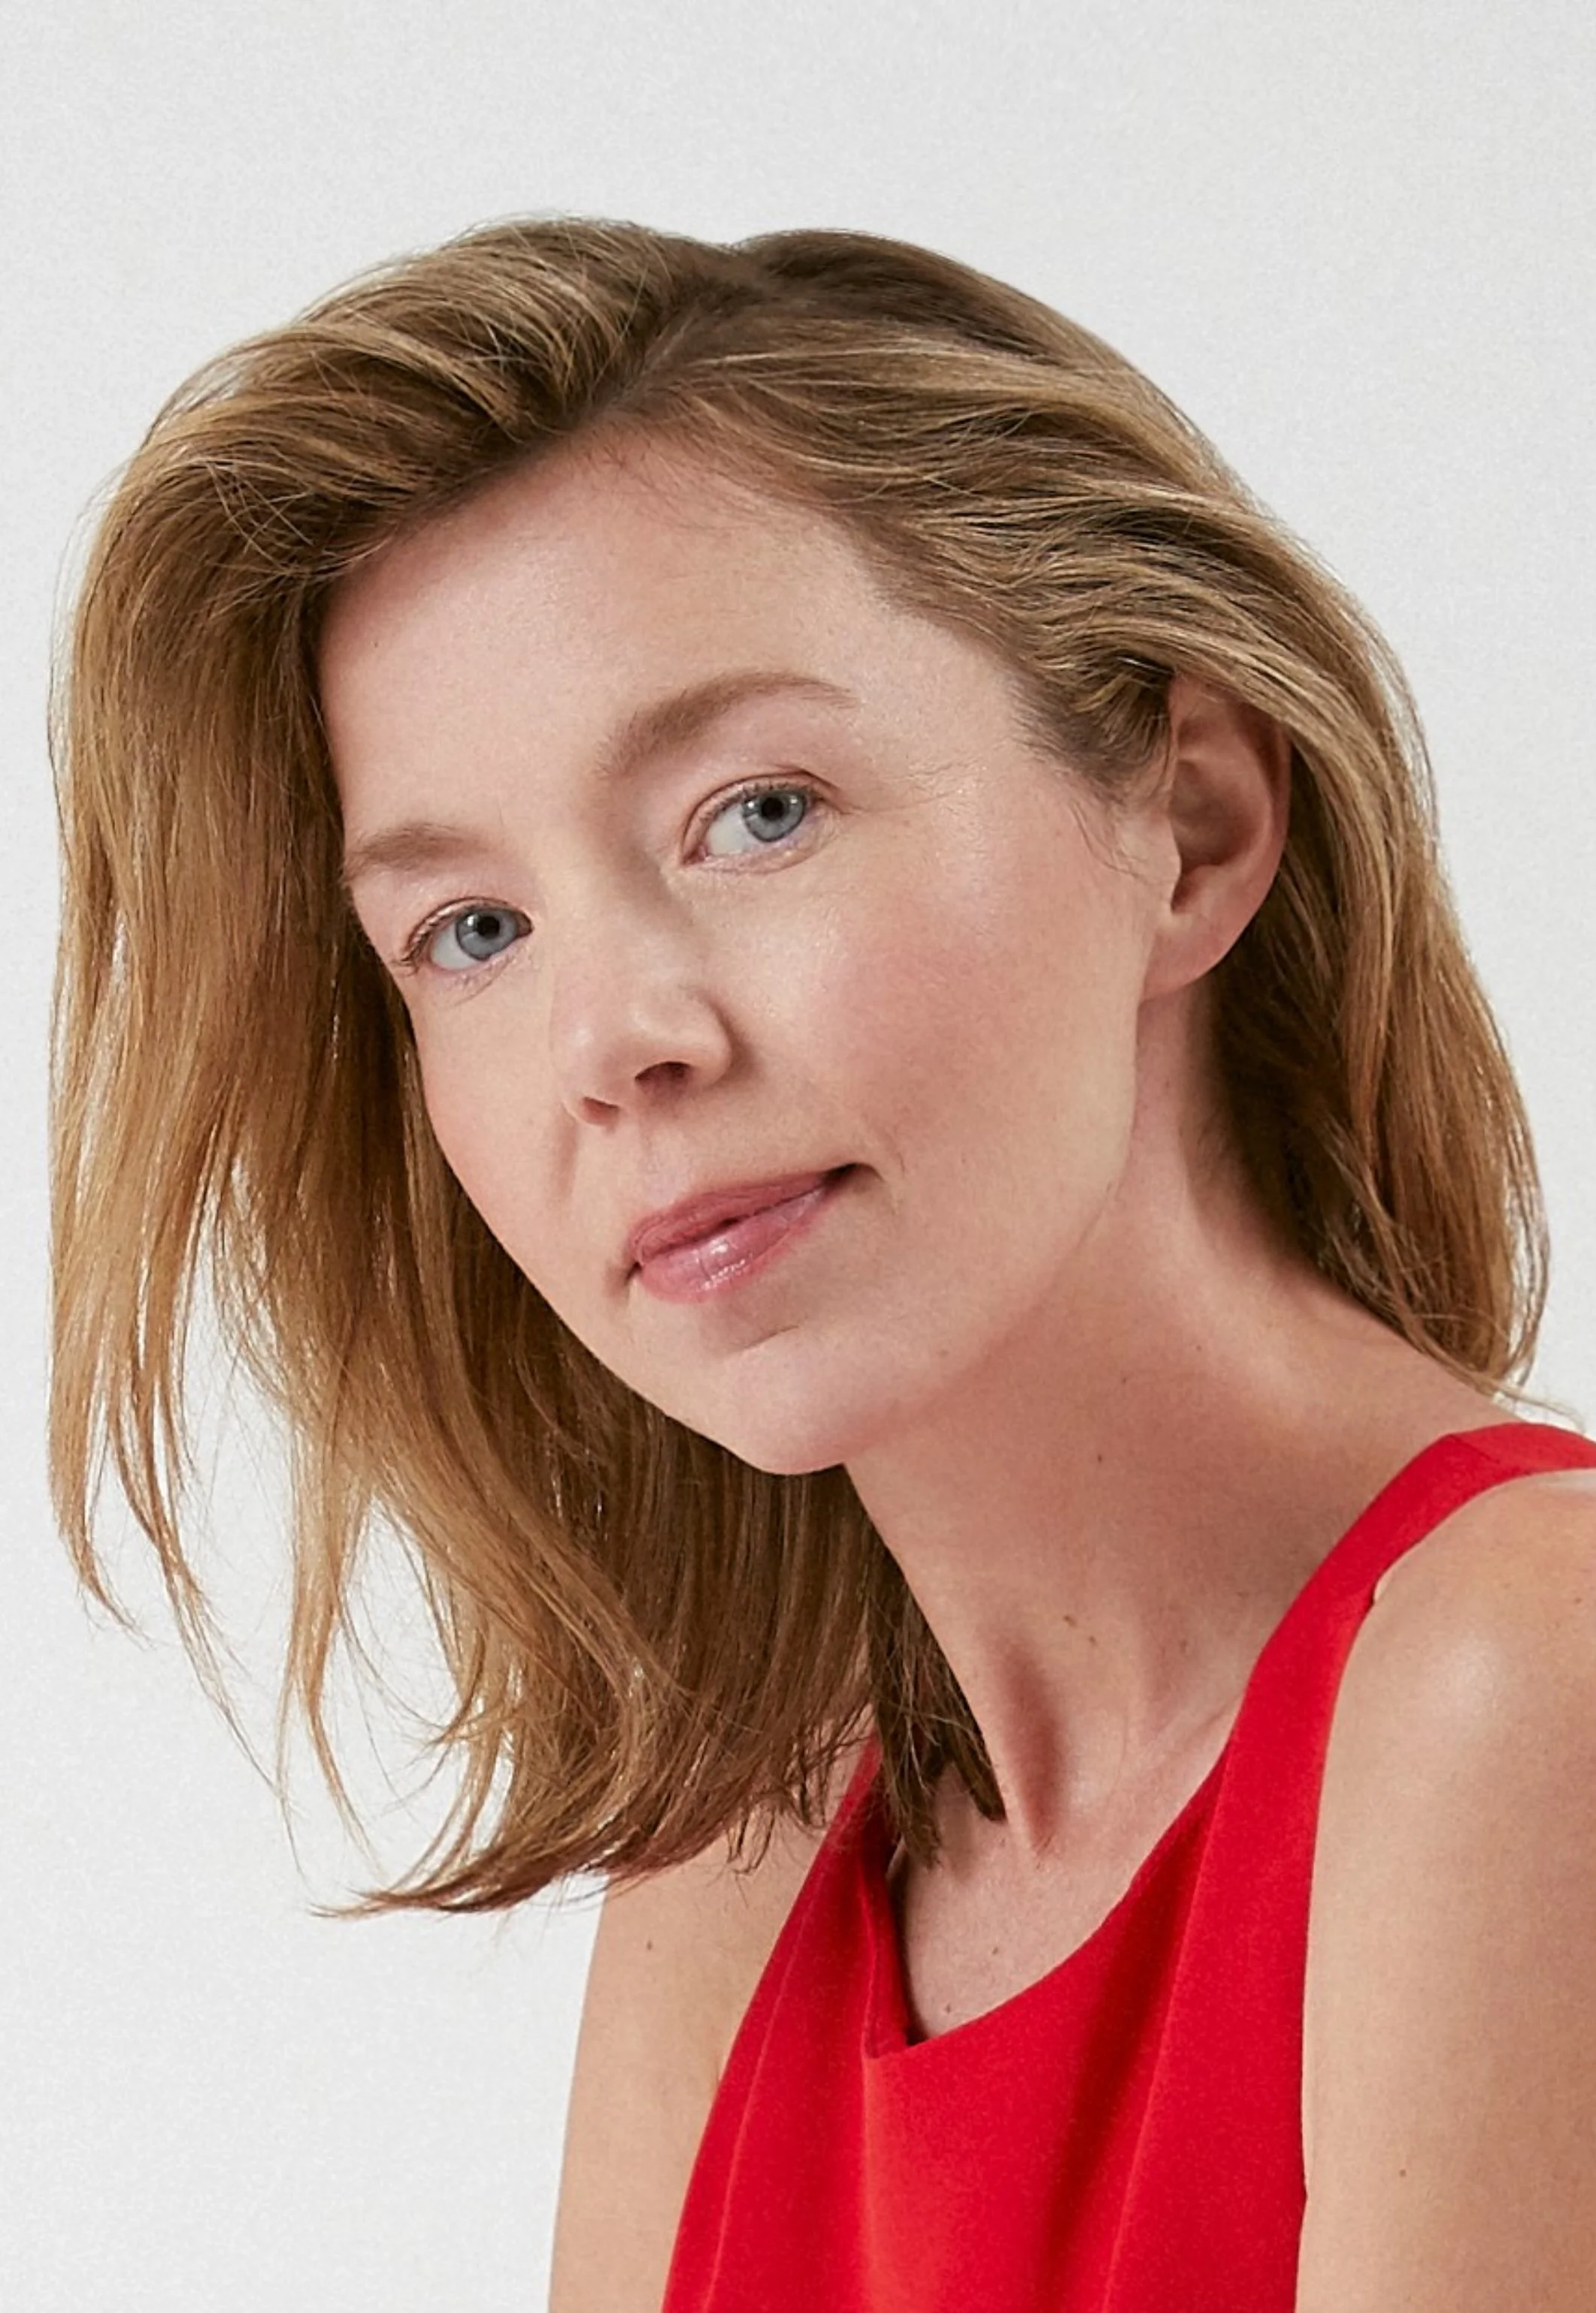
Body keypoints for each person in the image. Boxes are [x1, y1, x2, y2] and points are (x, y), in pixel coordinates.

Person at [47, 215, 1596, 2312]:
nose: (616, 1041)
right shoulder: (746, 1866)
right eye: (472, 933)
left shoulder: (1532, 1674)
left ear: (1197, 824)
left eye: (754, 812)